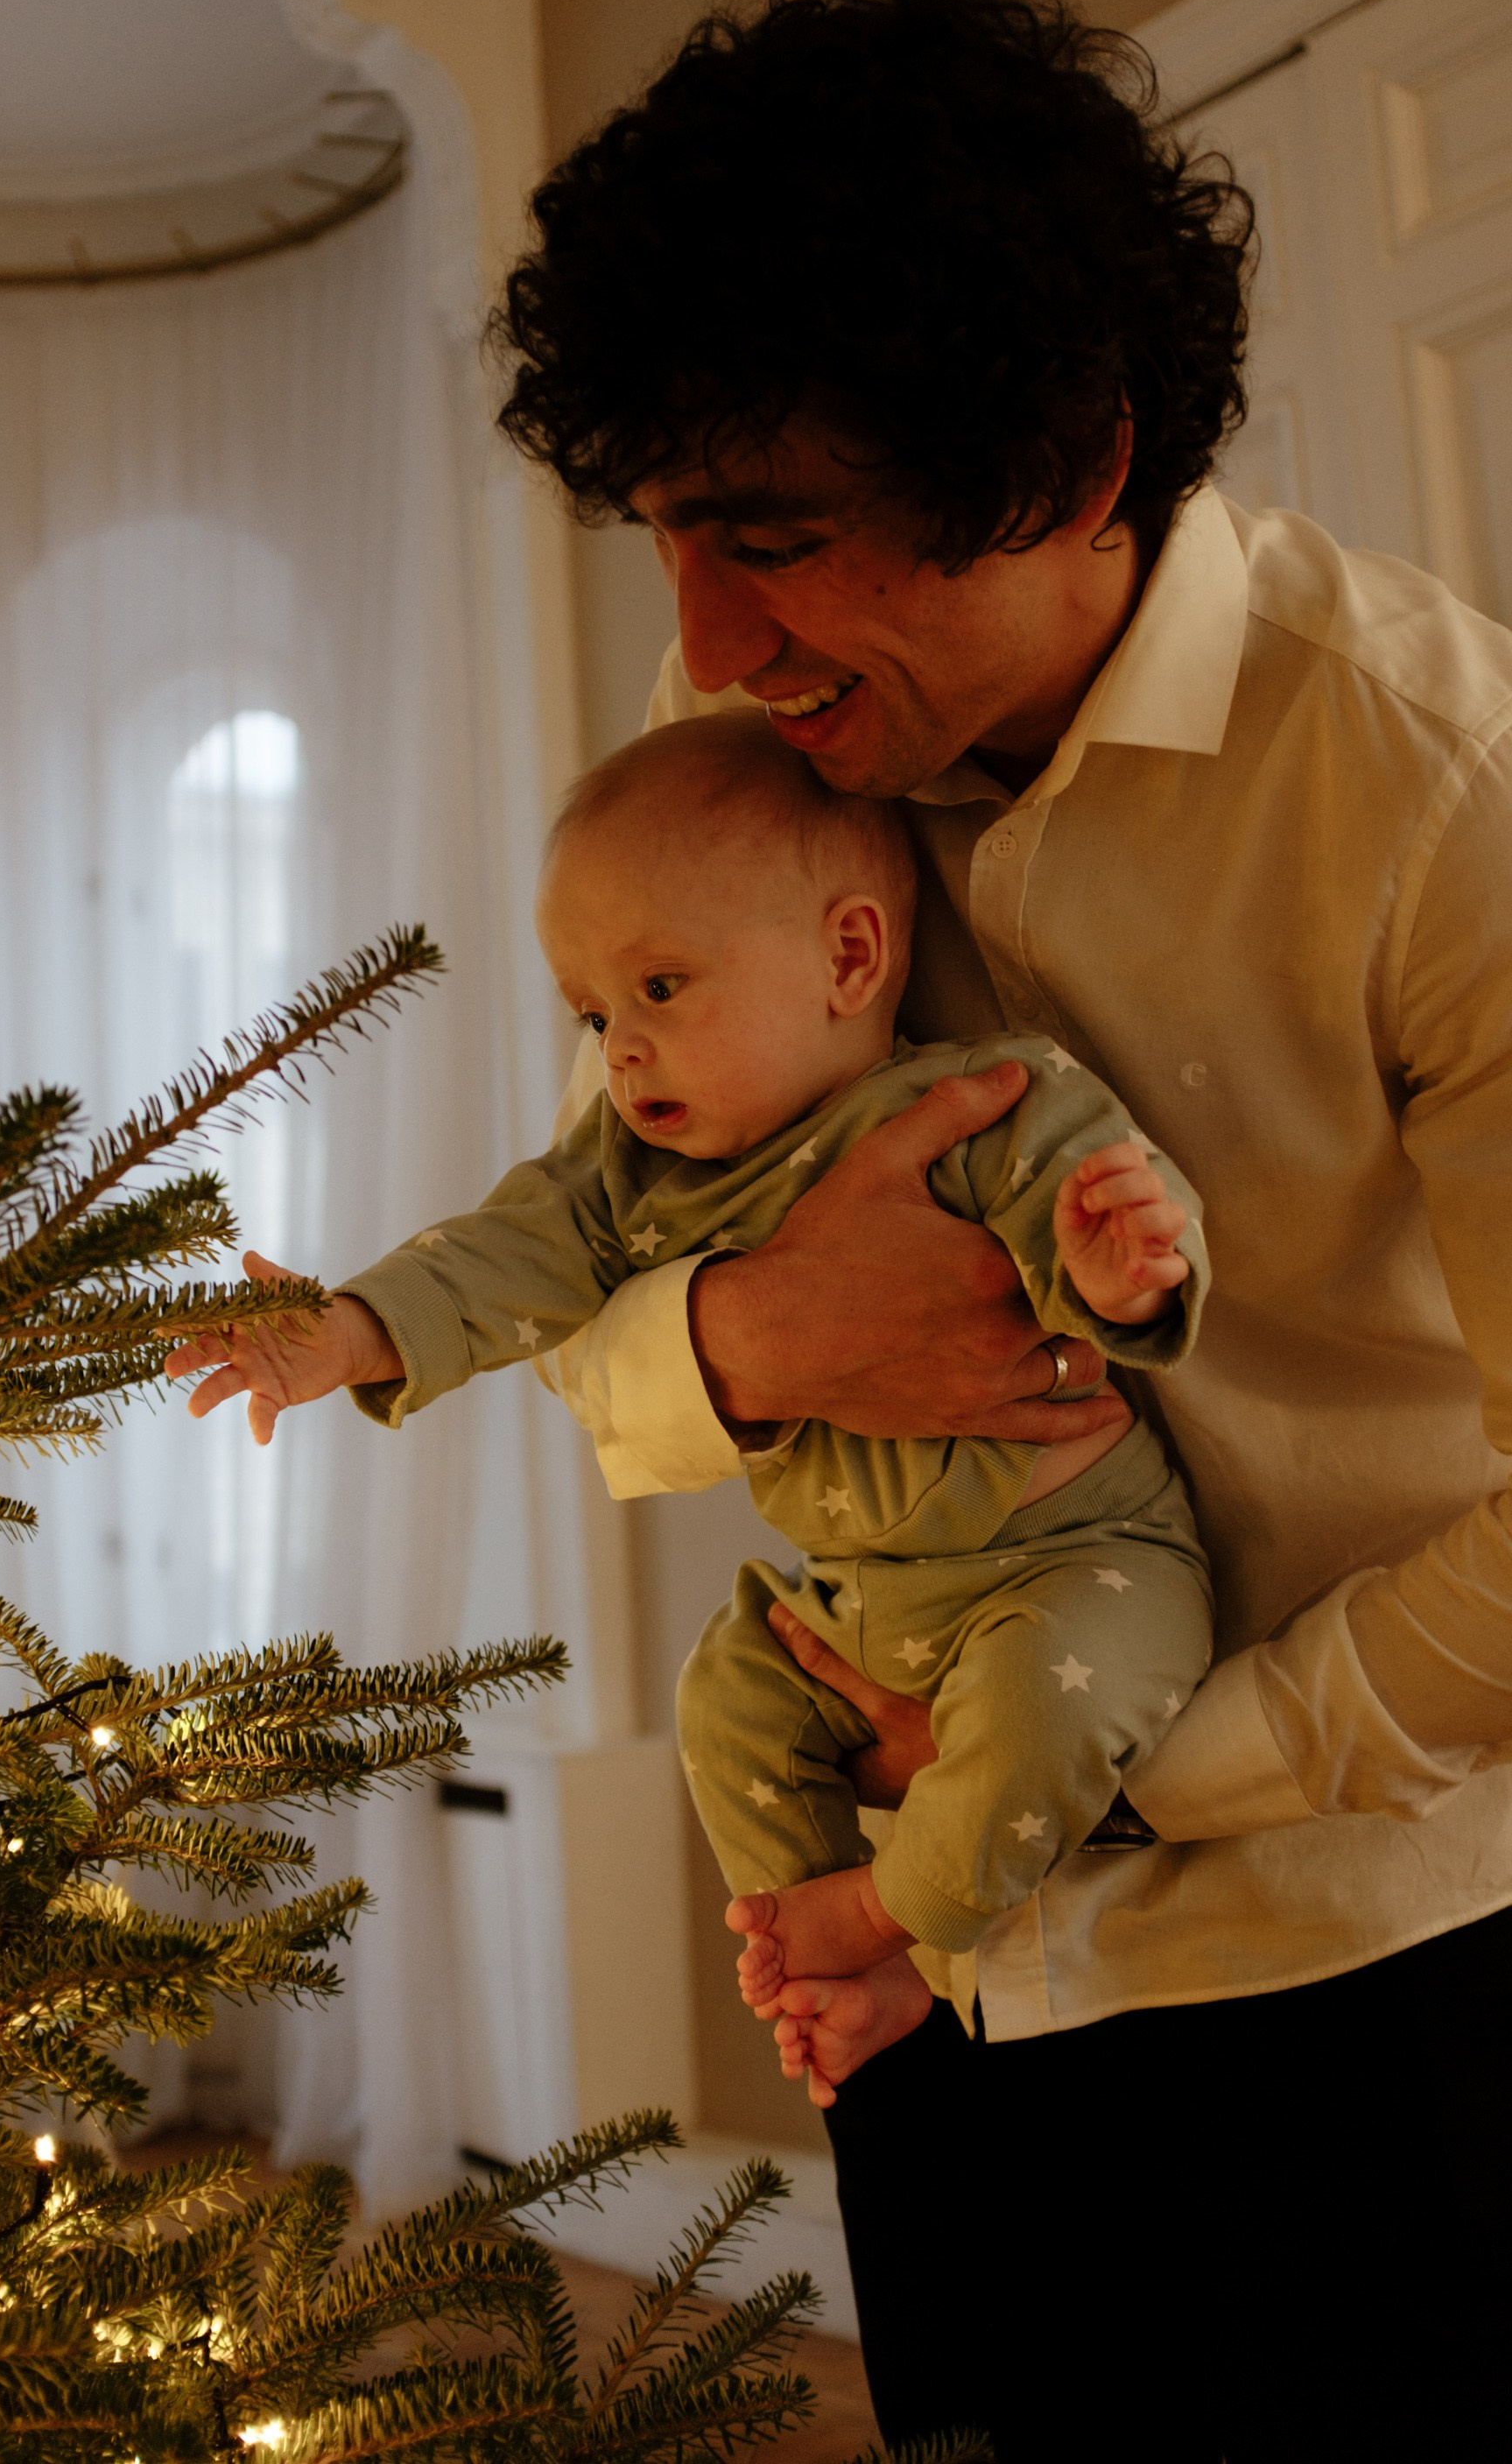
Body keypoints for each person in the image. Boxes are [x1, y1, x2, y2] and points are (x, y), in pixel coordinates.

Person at [476, 0, 1512, 2464]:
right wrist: (745, 1342)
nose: (701, 647)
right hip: (933, 1953)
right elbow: (601, 1279)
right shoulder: (746, 759)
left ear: (1063, 459)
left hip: (1377, 1953)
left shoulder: (1441, 791)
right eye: (666, 539)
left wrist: (1142, 1770)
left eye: (773, 539)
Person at [173, 713, 1212, 2003]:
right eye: (593, 1013)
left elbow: (1106, 1211)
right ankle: (828, 1968)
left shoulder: (982, 1100)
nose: (618, 1047)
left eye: (658, 989)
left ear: (848, 956)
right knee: (726, 1696)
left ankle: (883, 1920)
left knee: (1042, 1710)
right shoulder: (631, 1175)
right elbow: (499, 1256)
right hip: (860, 1594)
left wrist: (1117, 1270)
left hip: (1078, 1561)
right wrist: (345, 1331)